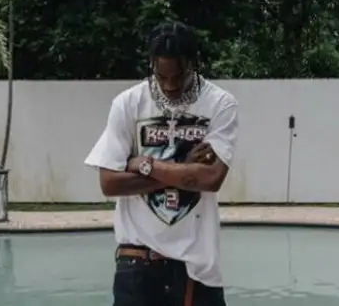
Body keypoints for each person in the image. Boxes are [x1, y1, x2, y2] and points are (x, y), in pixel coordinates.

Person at [84, 20, 239, 306]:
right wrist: (184, 167)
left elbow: (212, 178)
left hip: (198, 269)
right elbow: (109, 183)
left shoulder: (220, 104)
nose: (170, 86)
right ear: (151, 65)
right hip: (137, 262)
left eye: (179, 76)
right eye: (161, 76)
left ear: (194, 63)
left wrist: (145, 164)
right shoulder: (128, 104)